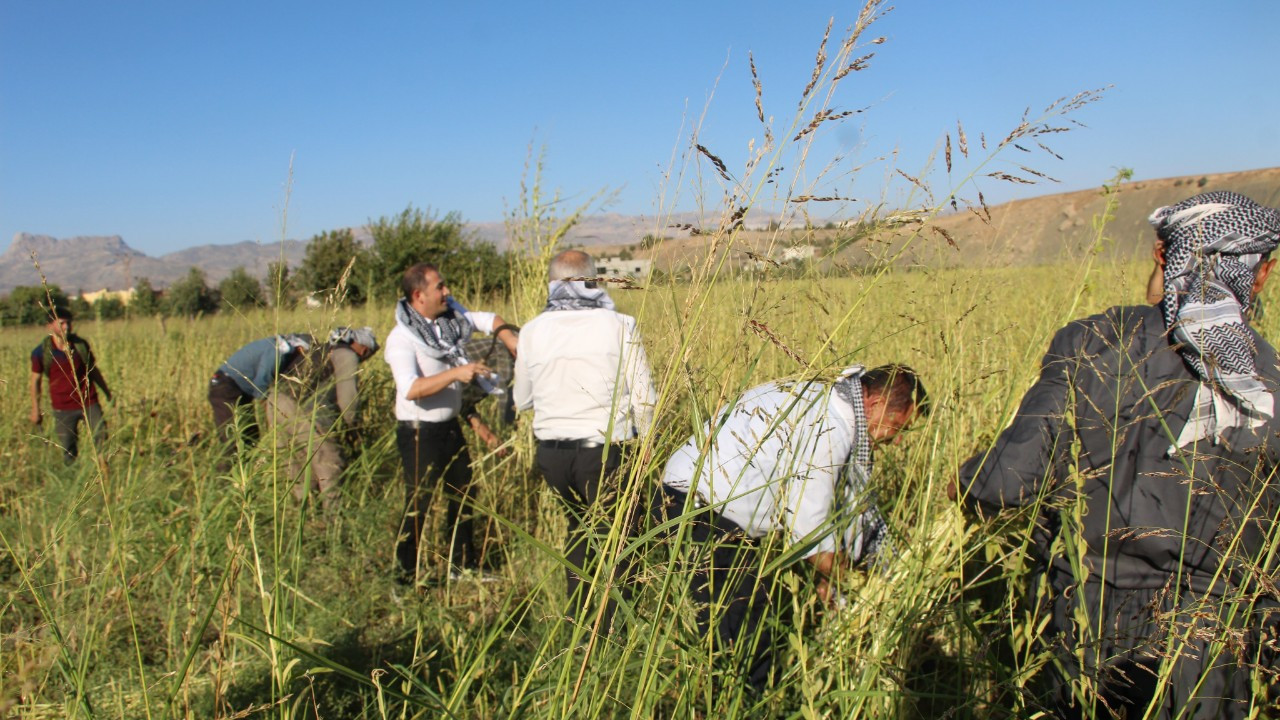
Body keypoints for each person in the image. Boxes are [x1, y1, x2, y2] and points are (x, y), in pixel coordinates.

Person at [954, 191, 1280, 718]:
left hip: (1089, 627)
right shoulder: (1273, 381)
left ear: (1161, 254)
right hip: (1217, 645)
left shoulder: (1094, 342)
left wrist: (966, 480)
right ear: (1261, 275)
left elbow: (1007, 484)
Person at [655, 364, 927, 687]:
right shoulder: (830, 427)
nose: (894, 441)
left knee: (731, 621)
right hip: (700, 506)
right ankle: (743, 702)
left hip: (698, 496)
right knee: (744, 635)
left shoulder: (827, 400)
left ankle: (724, 692)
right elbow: (807, 529)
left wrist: (831, 571)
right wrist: (847, 584)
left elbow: (834, 508)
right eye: (897, 427)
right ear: (876, 404)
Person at [512, 249, 657, 627]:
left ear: (552, 283)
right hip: (605, 452)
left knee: (578, 529)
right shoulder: (619, 326)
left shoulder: (531, 331)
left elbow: (521, 399)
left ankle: (577, 617)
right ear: (593, 279)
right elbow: (644, 398)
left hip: (553, 456)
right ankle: (613, 628)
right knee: (617, 536)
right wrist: (646, 448)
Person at [385, 262, 518, 583]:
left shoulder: (449, 322)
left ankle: (462, 566)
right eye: (440, 287)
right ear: (419, 295)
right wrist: (458, 373)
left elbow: (487, 319)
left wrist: (510, 340)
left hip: (449, 428)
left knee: (463, 494)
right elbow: (412, 389)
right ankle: (404, 578)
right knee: (419, 503)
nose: (448, 292)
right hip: (419, 432)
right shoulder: (402, 340)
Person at [265, 326, 379, 511]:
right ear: (364, 348)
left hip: (276, 402)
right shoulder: (346, 355)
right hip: (302, 408)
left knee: (298, 465)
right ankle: (333, 521)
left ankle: (304, 517)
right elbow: (348, 399)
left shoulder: (320, 349)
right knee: (329, 462)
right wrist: (351, 429)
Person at [29, 306, 112, 463]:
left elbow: (93, 371)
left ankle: (104, 475)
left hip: (89, 402)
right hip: (62, 407)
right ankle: (73, 477)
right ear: (50, 326)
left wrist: (107, 392)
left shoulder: (80, 345)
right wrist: (35, 409)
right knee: (68, 448)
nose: (66, 327)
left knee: (101, 437)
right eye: (62, 323)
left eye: (68, 323)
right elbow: (35, 382)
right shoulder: (40, 352)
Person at [208, 332, 314, 450]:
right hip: (225, 387)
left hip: (239, 390)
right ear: (300, 348)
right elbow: (260, 384)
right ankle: (227, 468)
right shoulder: (276, 351)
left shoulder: (279, 346)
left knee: (249, 435)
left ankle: (249, 466)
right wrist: (272, 414)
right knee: (233, 439)